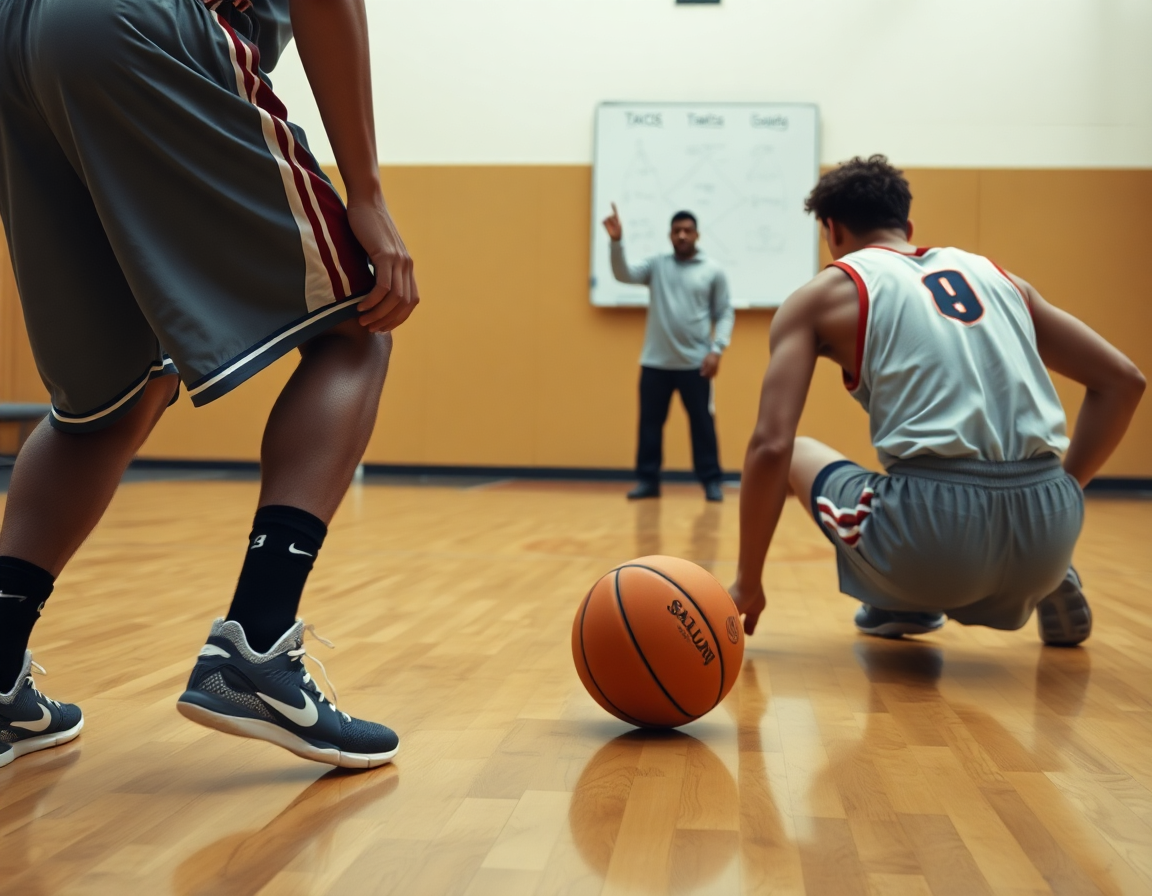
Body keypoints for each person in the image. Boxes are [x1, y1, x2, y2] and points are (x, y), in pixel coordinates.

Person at [0, 0, 418, 770]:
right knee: (361, 320)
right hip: (136, 24)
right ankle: (255, 647)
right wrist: (366, 192)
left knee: (106, 401)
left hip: (16, 46)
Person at [729, 155, 1145, 644]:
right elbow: (1124, 381)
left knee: (799, 450)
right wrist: (1064, 495)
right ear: (906, 226)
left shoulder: (823, 296)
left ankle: (905, 596)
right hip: (1051, 524)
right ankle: (937, 599)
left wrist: (748, 584)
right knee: (913, 489)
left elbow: (771, 446)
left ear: (832, 230)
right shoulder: (1001, 279)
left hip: (936, 537)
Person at [603, 206, 734, 502]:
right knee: (649, 425)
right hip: (655, 363)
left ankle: (711, 481)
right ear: (670, 235)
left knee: (702, 425)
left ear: (697, 234)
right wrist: (616, 242)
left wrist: (717, 350)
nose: (682, 235)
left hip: (696, 364)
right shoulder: (657, 266)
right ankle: (648, 481)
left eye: (688, 230)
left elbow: (725, 312)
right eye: (677, 231)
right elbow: (623, 274)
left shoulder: (712, 270)